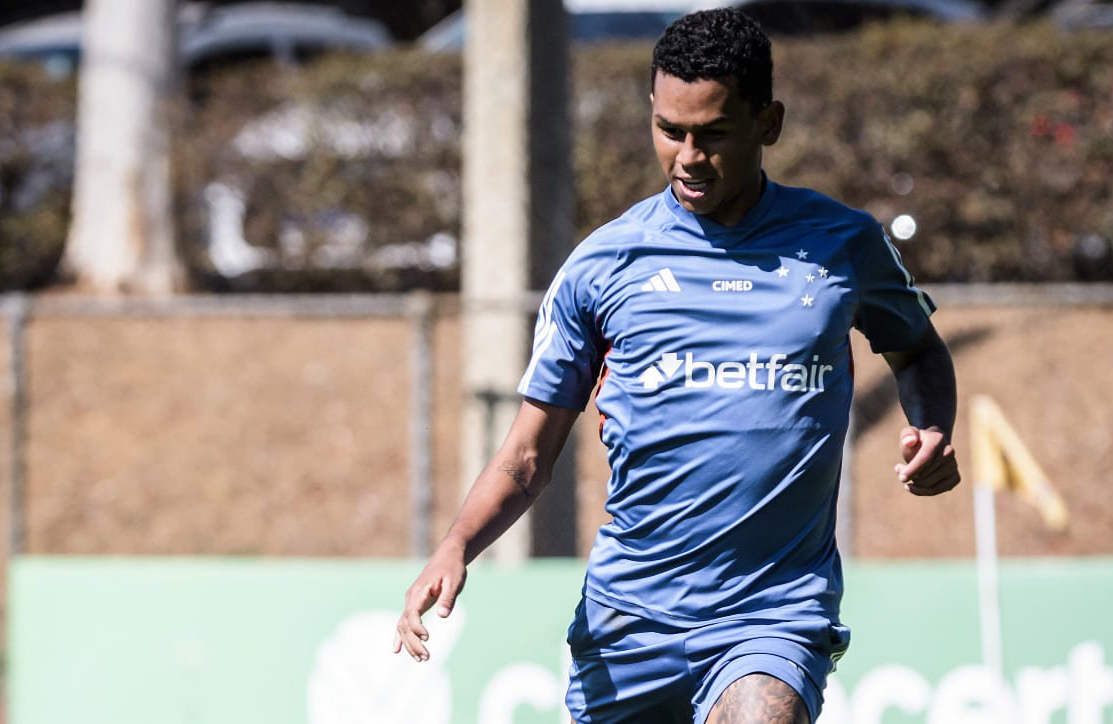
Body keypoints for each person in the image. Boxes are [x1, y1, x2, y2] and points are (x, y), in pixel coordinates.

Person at [394, 7, 960, 723]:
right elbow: (526, 457)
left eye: (714, 134)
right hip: (630, 621)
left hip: (773, 611)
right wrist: (456, 547)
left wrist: (932, 422)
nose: (689, 157)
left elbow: (916, 347)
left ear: (768, 123)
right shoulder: (603, 266)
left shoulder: (842, 245)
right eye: (671, 131)